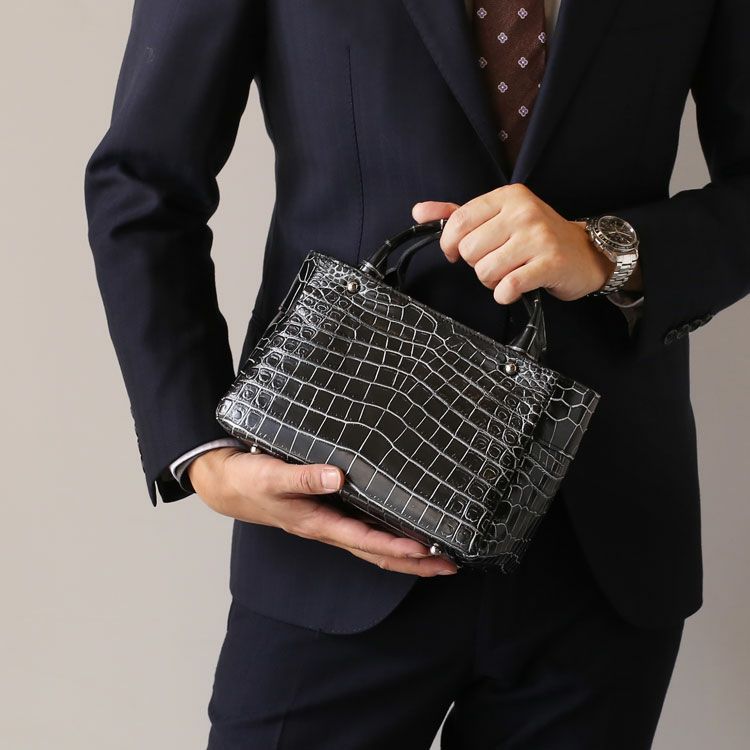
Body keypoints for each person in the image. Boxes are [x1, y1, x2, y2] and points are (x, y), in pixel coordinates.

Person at [83, 0, 749, 747]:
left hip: (603, 539)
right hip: (335, 507)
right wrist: (202, 454)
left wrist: (608, 252)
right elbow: (142, 183)